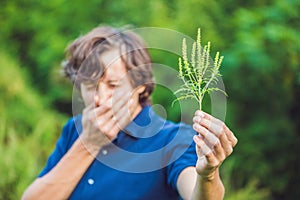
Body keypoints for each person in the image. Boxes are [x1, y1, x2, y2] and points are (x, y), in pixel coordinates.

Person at [22, 26, 237, 200]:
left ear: (141, 85)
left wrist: (208, 175)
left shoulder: (173, 139)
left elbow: (195, 194)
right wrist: (89, 143)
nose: (99, 97)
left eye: (113, 84)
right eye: (89, 85)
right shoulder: (75, 130)